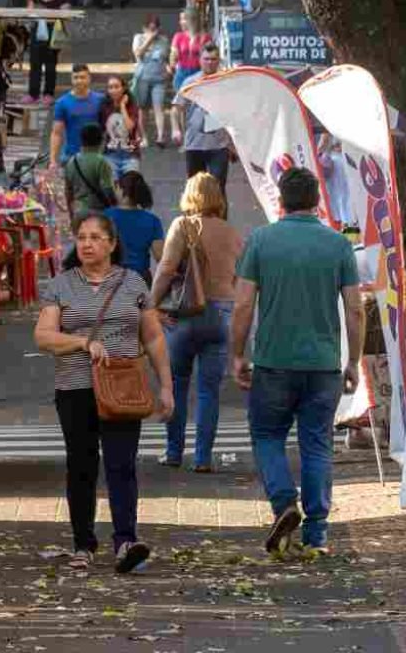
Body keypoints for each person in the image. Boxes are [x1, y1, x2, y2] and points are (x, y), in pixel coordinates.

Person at [230, 168, 363, 554]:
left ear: (281, 201)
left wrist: (237, 354)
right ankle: (317, 533)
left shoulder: (260, 241)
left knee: (268, 435)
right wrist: (352, 360)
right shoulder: (337, 245)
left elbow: (242, 304)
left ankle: (284, 502)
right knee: (317, 443)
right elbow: (355, 308)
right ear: (317, 200)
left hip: (273, 361)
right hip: (323, 365)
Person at [34, 212, 173, 573]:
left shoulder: (134, 283)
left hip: (123, 387)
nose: (87, 244)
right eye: (81, 237)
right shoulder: (61, 285)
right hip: (76, 388)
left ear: (112, 244)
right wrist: (82, 342)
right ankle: (83, 543)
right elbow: (44, 335)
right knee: (81, 465)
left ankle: (126, 540)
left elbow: (154, 336)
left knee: (121, 464)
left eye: (96, 237)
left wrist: (167, 387)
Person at [149, 174, 243, 472]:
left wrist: (150, 305)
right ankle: (202, 457)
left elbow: (165, 269)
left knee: (176, 383)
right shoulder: (232, 233)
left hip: (185, 314)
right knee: (209, 390)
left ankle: (174, 452)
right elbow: (240, 278)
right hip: (221, 314)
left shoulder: (183, 225)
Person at [172, 43, 233, 184]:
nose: (210, 63)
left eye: (213, 59)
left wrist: (233, 144)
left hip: (219, 145)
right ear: (200, 60)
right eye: (206, 59)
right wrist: (175, 129)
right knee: (196, 189)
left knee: (217, 188)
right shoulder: (191, 82)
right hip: (195, 144)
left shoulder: (226, 82)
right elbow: (176, 107)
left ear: (219, 60)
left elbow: (233, 114)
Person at [105, 172, 164, 285]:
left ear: (121, 190)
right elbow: (160, 257)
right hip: (140, 278)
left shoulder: (106, 217)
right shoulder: (152, 220)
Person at [50, 63, 106, 167]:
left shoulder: (101, 100)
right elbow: (56, 133)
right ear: (71, 80)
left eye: (82, 77)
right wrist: (52, 160)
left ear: (89, 79)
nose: (79, 81)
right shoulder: (62, 103)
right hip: (71, 157)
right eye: (76, 78)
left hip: (97, 157)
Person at [26, 0, 70, 105]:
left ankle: (48, 93)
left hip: (53, 34)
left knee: (50, 65)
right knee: (35, 65)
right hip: (37, 34)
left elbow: (65, 14)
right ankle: (32, 94)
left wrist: (46, 13)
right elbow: (30, 11)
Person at [131, 15, 172, 148]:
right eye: (150, 28)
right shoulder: (138, 38)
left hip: (159, 78)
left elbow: (166, 58)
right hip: (142, 78)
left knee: (158, 106)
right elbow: (138, 54)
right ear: (144, 28)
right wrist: (149, 40)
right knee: (143, 109)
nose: (153, 31)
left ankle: (160, 137)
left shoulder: (164, 41)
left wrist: (169, 68)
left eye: (155, 29)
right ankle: (144, 138)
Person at [65, 123, 117, 219]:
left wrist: (71, 214)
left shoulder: (71, 161)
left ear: (81, 140)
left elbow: (68, 191)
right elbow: (109, 190)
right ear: (101, 141)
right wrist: (116, 206)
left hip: (78, 212)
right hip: (98, 213)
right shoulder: (101, 162)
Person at [100, 76, 142, 178]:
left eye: (116, 87)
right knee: (112, 185)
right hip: (110, 155)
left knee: (131, 183)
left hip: (130, 155)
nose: (113, 90)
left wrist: (123, 106)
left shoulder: (132, 105)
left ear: (123, 88)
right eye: (110, 87)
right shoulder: (104, 106)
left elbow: (129, 127)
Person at [170, 6, 211, 95]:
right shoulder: (178, 36)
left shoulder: (205, 37)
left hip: (199, 73)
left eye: (183, 19)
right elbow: (173, 57)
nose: (180, 22)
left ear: (193, 20)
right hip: (182, 73)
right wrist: (173, 58)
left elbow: (210, 57)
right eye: (181, 19)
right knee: (182, 104)